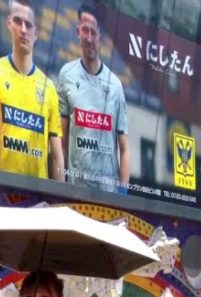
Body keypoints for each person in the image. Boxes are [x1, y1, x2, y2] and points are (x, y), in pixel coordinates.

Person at [0, 0, 64, 180]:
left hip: (37, 196)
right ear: (9, 23)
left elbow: (57, 155)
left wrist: (61, 198)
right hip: (1, 190)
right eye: (18, 21)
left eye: (28, 25)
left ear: (36, 33)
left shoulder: (48, 87)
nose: (23, 29)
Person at [57, 4, 130, 193]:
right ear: (77, 32)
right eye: (85, 31)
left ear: (100, 36)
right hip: (75, 192)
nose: (89, 38)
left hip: (108, 195)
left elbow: (125, 149)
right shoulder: (67, 75)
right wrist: (60, 186)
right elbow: (61, 141)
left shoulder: (115, 85)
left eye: (93, 32)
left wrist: (123, 195)